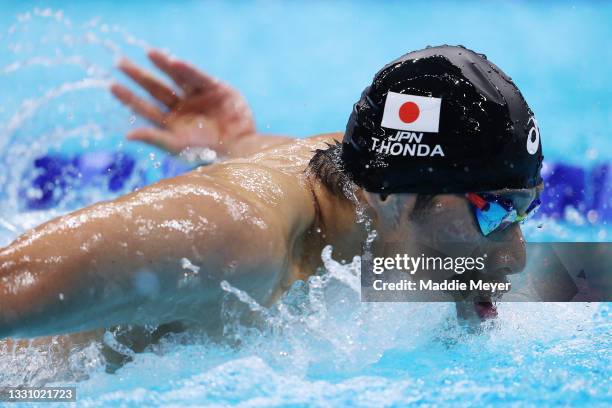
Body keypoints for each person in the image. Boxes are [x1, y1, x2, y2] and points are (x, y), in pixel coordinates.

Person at [0, 46, 543, 348]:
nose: (517, 255)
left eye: (525, 210)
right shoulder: (231, 238)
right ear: (392, 197)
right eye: (495, 210)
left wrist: (235, 145)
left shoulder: (357, 182)